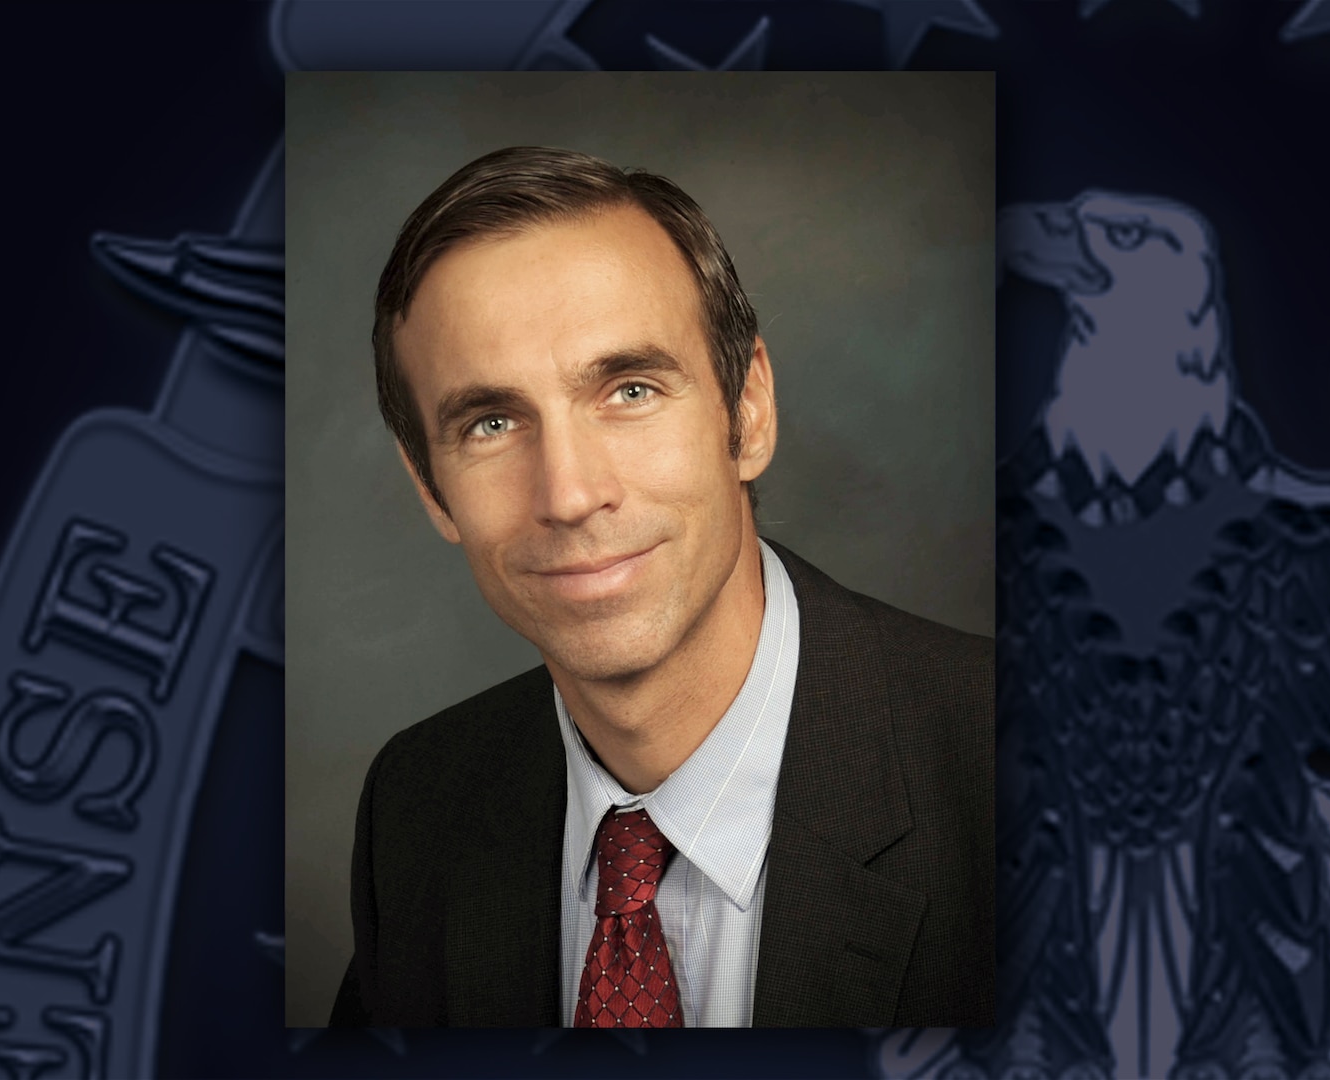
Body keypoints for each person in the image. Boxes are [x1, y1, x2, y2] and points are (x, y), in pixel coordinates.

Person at [329, 146, 993, 1028]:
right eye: (490, 422)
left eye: (629, 389)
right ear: (430, 488)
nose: (567, 494)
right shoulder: (418, 807)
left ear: (747, 412)